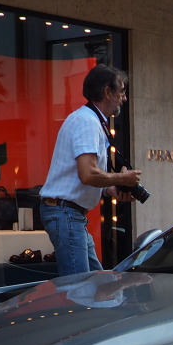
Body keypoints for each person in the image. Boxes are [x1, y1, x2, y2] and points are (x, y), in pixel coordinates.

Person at [39, 64, 142, 276]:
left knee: (97, 284)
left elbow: (80, 175)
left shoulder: (88, 119)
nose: (124, 98)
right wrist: (122, 177)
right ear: (107, 91)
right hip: (66, 213)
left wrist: (110, 189)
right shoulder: (87, 122)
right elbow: (87, 174)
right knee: (81, 290)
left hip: (69, 214)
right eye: (121, 91)